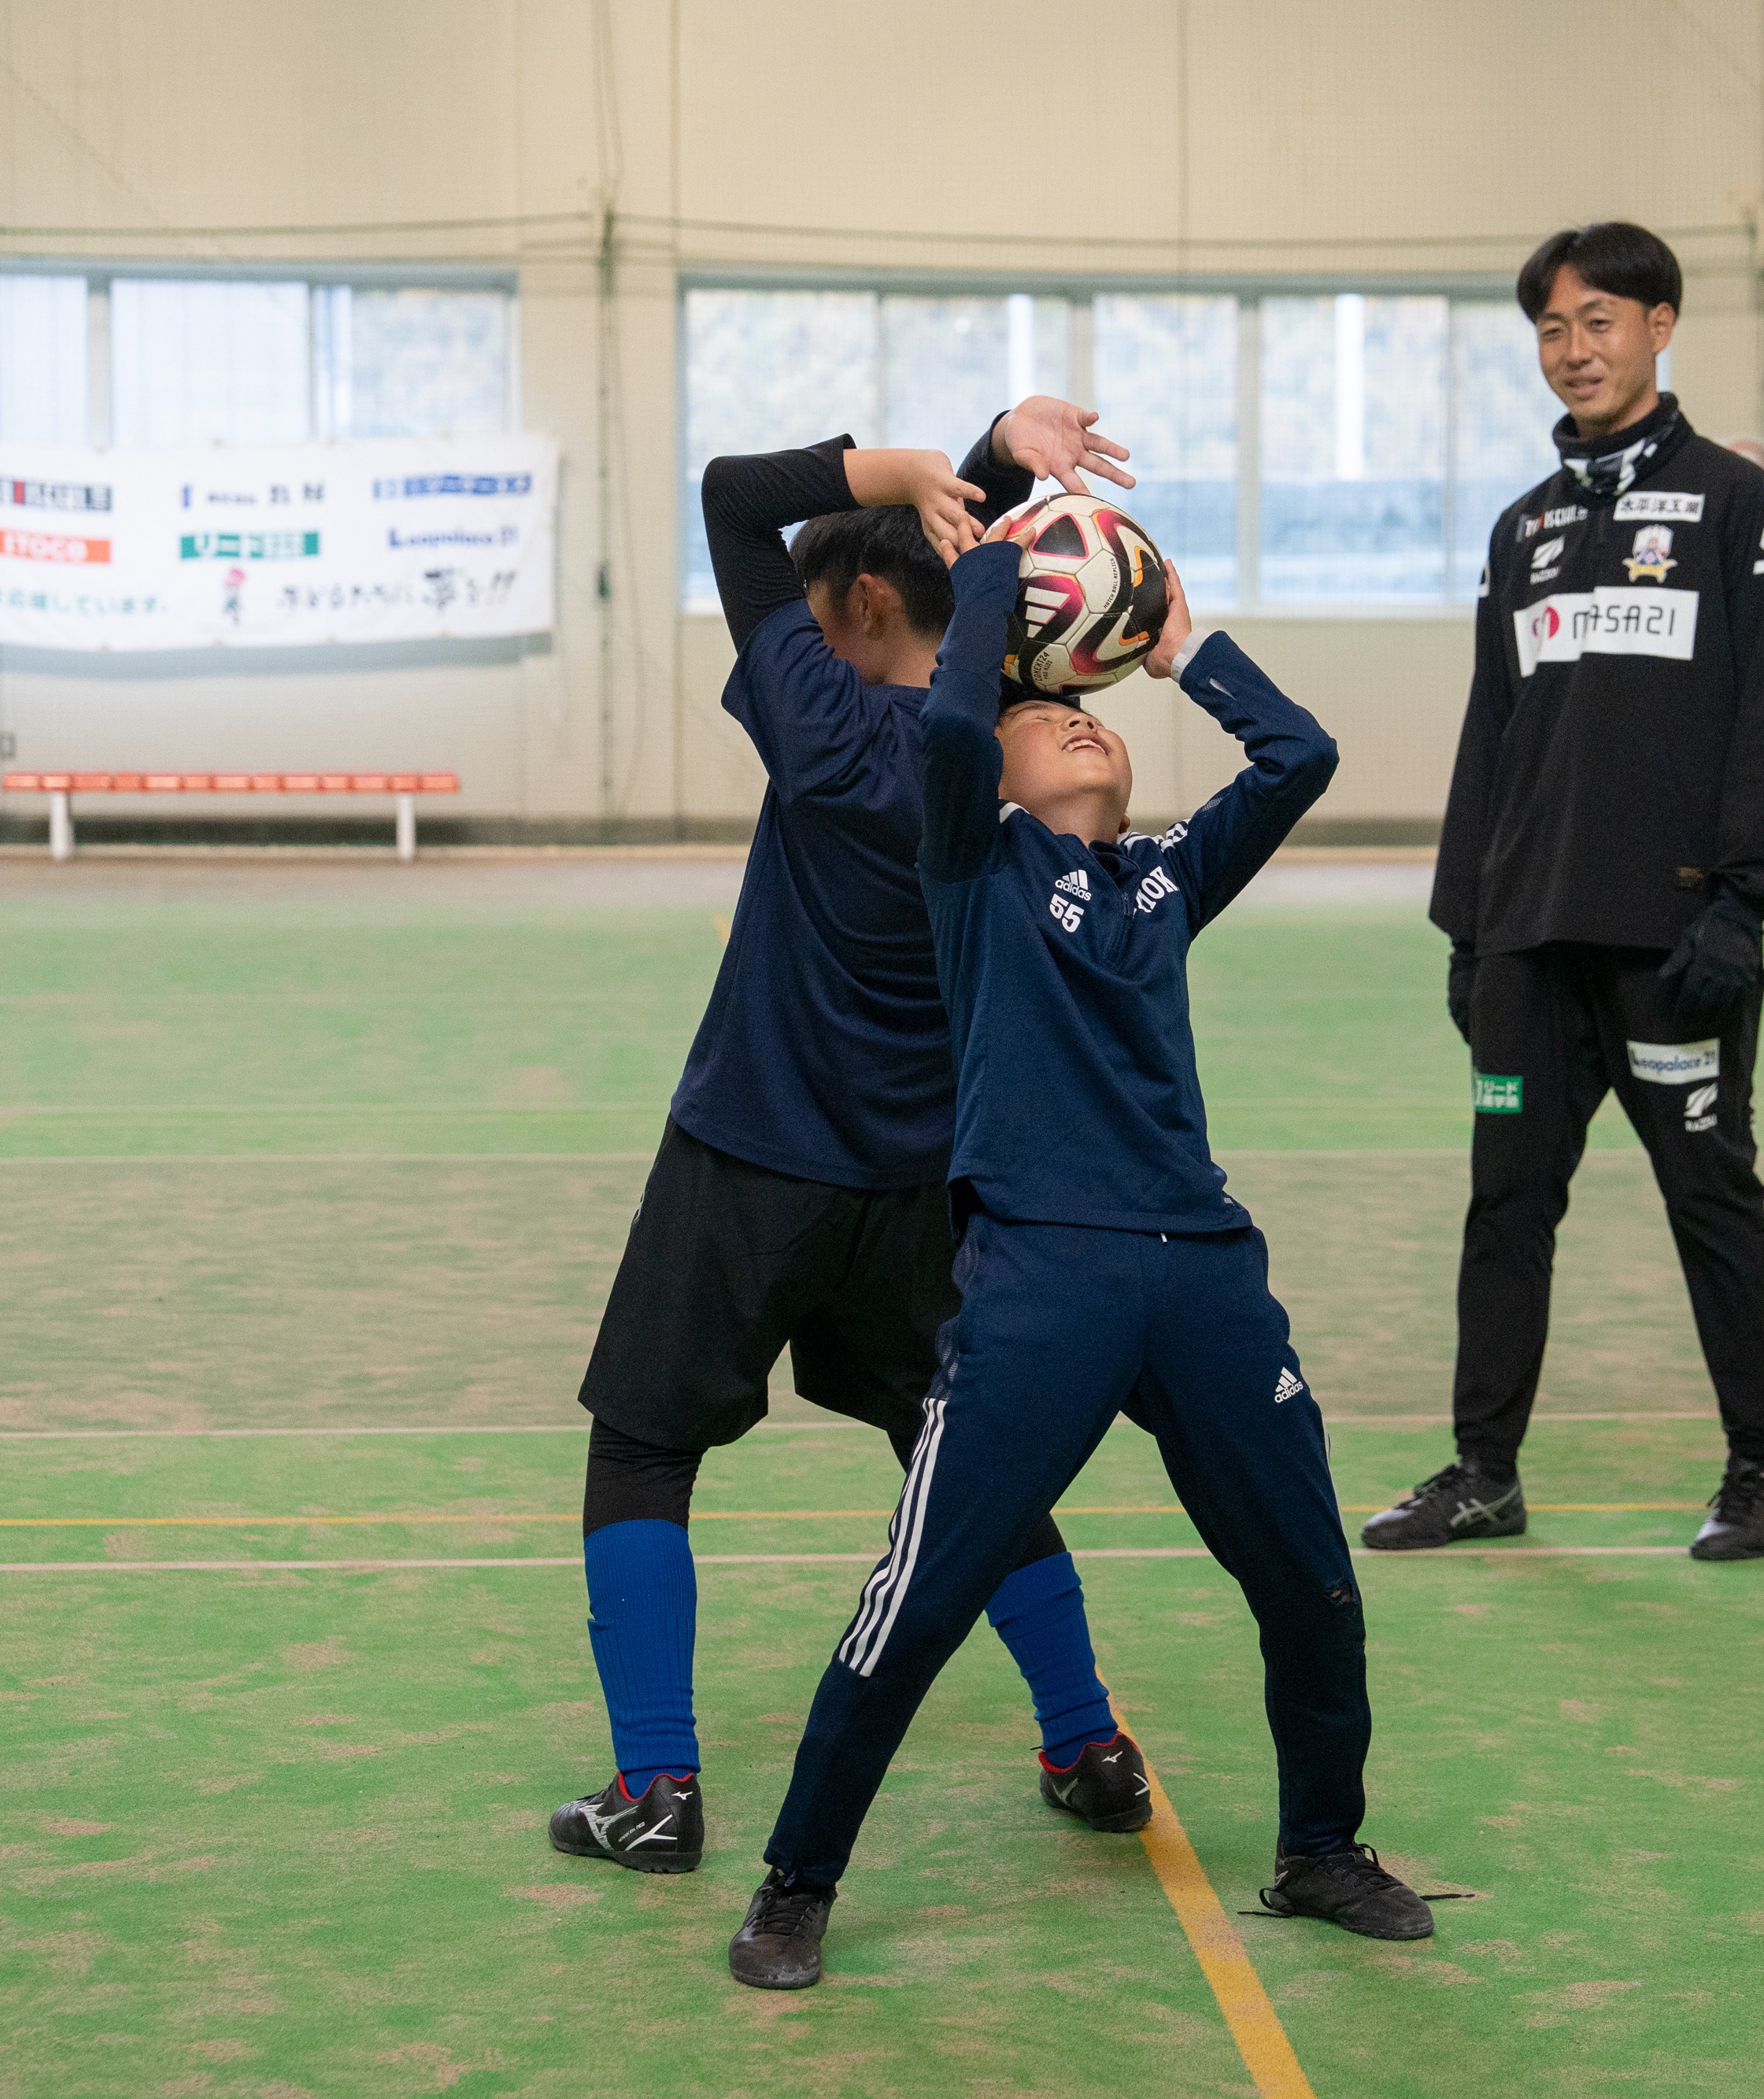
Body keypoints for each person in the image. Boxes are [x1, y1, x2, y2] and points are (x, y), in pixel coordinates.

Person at [722, 533, 1433, 1990]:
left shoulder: (1165, 880)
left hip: (1207, 1272)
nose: (1084, 719)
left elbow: (1299, 757)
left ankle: (1322, 1850)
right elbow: (950, 725)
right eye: (1051, 715)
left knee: (1310, 1581)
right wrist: (993, 578)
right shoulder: (969, 865)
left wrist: (1184, 651)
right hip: (1045, 1275)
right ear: (989, 762)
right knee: (920, 1594)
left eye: (1097, 709)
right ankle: (798, 1882)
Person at [549, 398, 1163, 1879]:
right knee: (970, 1466)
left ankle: (658, 1789)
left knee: (643, 1445)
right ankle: (1085, 1742)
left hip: (749, 1153)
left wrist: (890, 468)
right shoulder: (1022, 754)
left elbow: (727, 496)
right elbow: (970, 599)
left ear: (864, 603)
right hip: (926, 1187)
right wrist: (997, 459)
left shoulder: (822, 725)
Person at [1363, 219, 1764, 1565]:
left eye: (1600, 322)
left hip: (1672, 940)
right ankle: (1484, 1473)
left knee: (1711, 1201)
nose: (1575, 350)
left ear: (1662, 326)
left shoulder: (1739, 504)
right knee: (1507, 1205)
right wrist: (1466, 927)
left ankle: (1763, 1473)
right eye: (1553, 330)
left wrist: (1745, 900)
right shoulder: (1526, 529)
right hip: (1529, 945)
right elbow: (1491, 731)